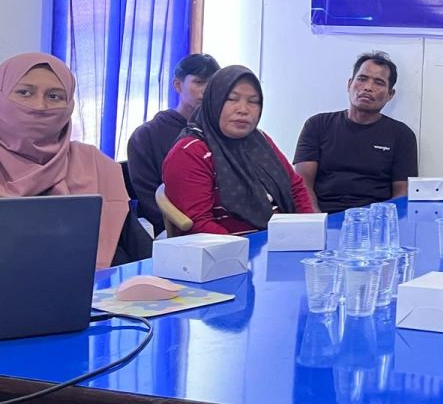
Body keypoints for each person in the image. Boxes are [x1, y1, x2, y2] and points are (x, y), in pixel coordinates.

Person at [0, 52, 150, 268]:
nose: (39, 106)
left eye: (54, 96)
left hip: (94, 285)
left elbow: (138, 250)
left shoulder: (95, 163)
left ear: (69, 104)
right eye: (25, 92)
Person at [162, 65, 313, 234]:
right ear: (214, 101)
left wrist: (308, 230)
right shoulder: (190, 152)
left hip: (284, 239)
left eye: (253, 101)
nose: (243, 110)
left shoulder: (260, 140)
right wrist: (245, 247)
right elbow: (199, 224)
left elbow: (295, 188)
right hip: (233, 246)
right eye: (232, 99)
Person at [293, 52, 418, 213]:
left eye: (379, 82)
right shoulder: (317, 125)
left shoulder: (402, 135)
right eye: (362, 79)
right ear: (349, 84)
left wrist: (382, 223)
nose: (368, 87)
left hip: (375, 219)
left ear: (390, 94)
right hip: (324, 215)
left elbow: (401, 194)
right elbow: (302, 185)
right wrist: (316, 221)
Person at [126, 52, 220, 233]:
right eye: (199, 82)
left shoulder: (222, 132)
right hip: (175, 229)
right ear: (178, 85)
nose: (206, 90)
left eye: (213, 84)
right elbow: (149, 199)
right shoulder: (146, 135)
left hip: (223, 222)